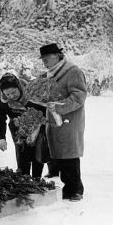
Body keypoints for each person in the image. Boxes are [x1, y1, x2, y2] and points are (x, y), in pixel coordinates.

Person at [39, 43, 87, 201]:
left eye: (47, 58)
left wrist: (59, 108)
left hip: (69, 121)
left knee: (70, 155)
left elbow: (79, 96)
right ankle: (67, 188)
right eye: (42, 59)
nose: (44, 61)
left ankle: (75, 190)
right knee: (60, 154)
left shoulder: (72, 72)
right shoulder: (50, 74)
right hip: (55, 121)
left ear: (57, 56)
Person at [0, 73, 46, 178]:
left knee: (37, 152)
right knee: (22, 153)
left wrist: (36, 128)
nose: (11, 96)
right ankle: (24, 179)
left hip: (37, 124)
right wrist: (0, 138)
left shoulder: (33, 93)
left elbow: (45, 111)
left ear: (19, 87)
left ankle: (37, 179)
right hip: (17, 126)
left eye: (13, 92)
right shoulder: (1, 99)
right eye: (8, 94)